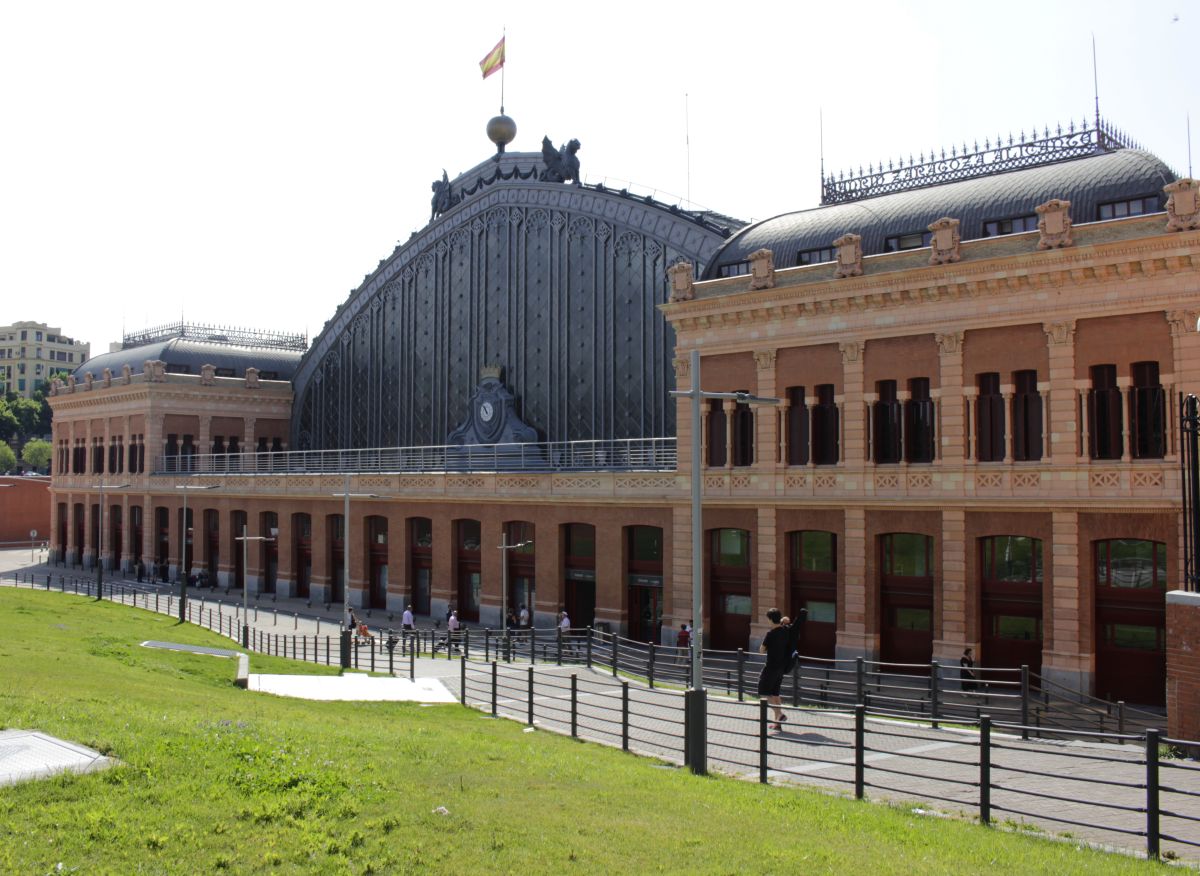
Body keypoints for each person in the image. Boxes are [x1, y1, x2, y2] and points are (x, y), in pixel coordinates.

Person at [758, 607, 805, 731]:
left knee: (763, 692)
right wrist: (784, 621)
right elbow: (787, 622)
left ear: (770, 619)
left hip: (771, 667)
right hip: (781, 668)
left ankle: (779, 714)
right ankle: (777, 724)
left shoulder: (770, 634)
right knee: (775, 694)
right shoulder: (785, 630)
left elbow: (761, 650)